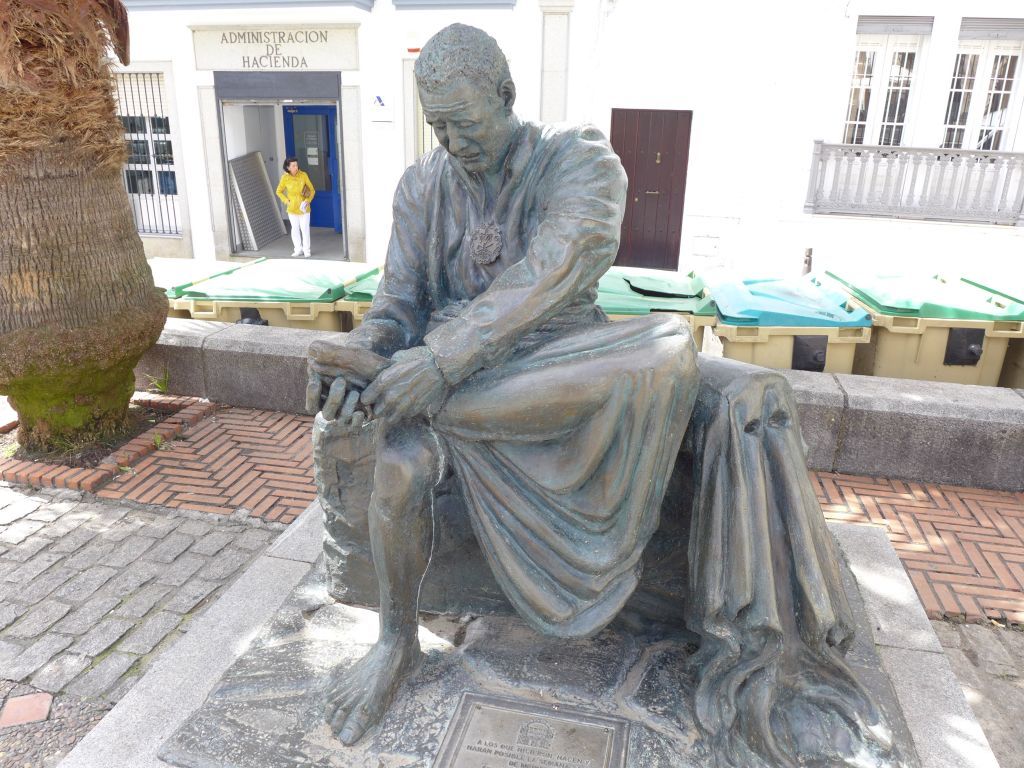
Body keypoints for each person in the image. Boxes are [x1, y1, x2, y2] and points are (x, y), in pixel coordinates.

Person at [307, 24, 896, 767]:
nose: (452, 142)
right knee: (399, 467)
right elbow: (395, 307)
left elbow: (557, 268)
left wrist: (436, 365)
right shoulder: (423, 187)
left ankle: (760, 653)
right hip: (455, 378)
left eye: (464, 123)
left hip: (562, 368)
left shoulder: (578, 159)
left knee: (710, 372)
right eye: (438, 126)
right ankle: (394, 645)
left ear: (506, 96)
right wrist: (360, 360)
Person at [276, 157, 315, 257]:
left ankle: (306, 250)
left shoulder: (303, 175)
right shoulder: (285, 178)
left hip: (304, 208)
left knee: (305, 229)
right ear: (288, 167)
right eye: (293, 165)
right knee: (295, 229)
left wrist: (308, 200)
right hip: (292, 209)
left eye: (296, 165)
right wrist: (286, 201)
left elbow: (312, 190)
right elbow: (278, 191)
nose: (296, 167)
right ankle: (298, 249)